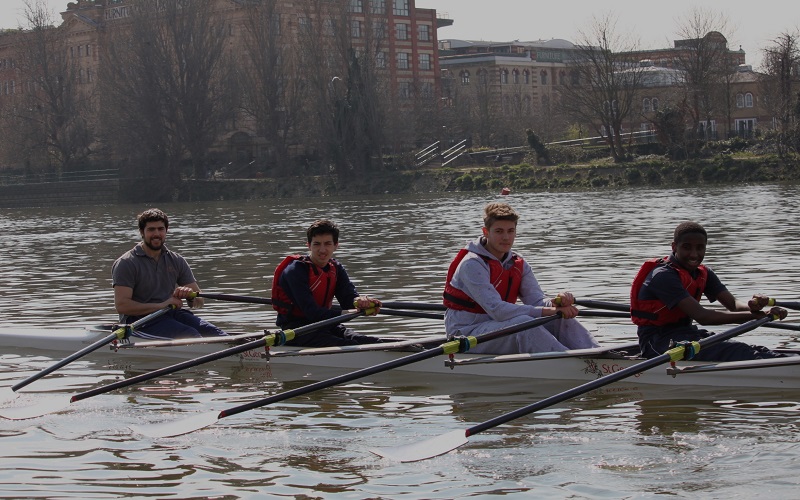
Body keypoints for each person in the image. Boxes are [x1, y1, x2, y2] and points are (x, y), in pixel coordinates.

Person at [443, 202, 599, 354]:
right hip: (466, 333)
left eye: (510, 231)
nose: (506, 237)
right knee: (524, 323)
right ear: (486, 232)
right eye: (499, 231)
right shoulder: (472, 264)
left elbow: (537, 302)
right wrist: (550, 310)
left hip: (497, 326)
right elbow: (498, 311)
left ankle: (597, 354)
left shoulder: (517, 263)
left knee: (559, 318)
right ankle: (574, 364)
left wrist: (557, 302)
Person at [630, 221, 788, 362]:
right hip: (657, 342)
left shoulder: (703, 273)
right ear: (674, 247)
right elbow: (703, 316)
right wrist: (758, 316)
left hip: (686, 334)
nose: (694, 254)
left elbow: (733, 305)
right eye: (687, 247)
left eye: (700, 248)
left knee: (756, 350)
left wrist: (756, 307)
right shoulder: (663, 276)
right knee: (741, 353)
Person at [111, 208, 228, 340]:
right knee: (191, 335)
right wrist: (161, 305)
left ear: (166, 231)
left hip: (170, 314)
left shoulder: (176, 260)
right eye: (151, 229)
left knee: (217, 334)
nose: (156, 234)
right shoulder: (126, 263)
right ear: (141, 232)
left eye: (160, 229)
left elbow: (199, 301)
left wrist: (189, 296)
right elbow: (122, 306)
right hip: (138, 322)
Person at [271, 219, 383, 347]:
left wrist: (362, 302)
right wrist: (345, 313)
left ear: (336, 245)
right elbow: (311, 312)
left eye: (327, 244)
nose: (322, 250)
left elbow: (348, 299)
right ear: (309, 245)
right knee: (346, 345)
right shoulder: (295, 270)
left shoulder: (336, 268)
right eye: (317, 244)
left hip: (327, 324)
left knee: (371, 342)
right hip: (296, 330)